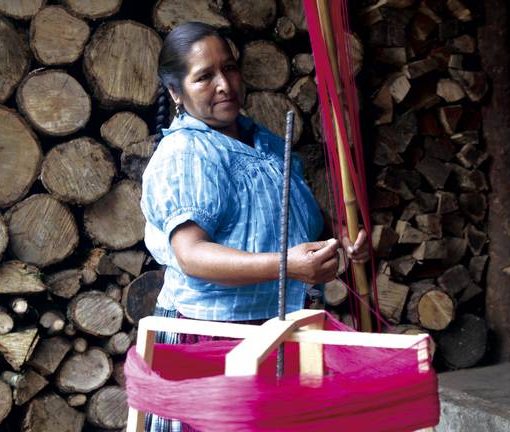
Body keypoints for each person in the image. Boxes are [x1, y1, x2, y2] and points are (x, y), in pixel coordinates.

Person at [140, 21, 369, 431]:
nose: (225, 84)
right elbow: (191, 255)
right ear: (176, 92)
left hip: (283, 330)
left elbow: (291, 225)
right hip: (215, 340)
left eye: (229, 69)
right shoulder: (186, 152)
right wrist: (288, 265)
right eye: (205, 77)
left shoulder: (262, 142)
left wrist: (342, 243)